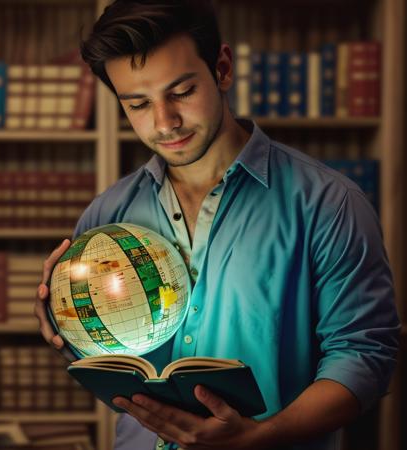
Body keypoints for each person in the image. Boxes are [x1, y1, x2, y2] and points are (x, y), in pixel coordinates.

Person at [34, 1, 400, 449]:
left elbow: (364, 356)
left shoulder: (330, 204)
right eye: (138, 104)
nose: (165, 122)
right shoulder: (105, 218)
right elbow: (116, 371)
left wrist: (260, 437)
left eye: (182, 92)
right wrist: (65, 324)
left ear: (222, 68)